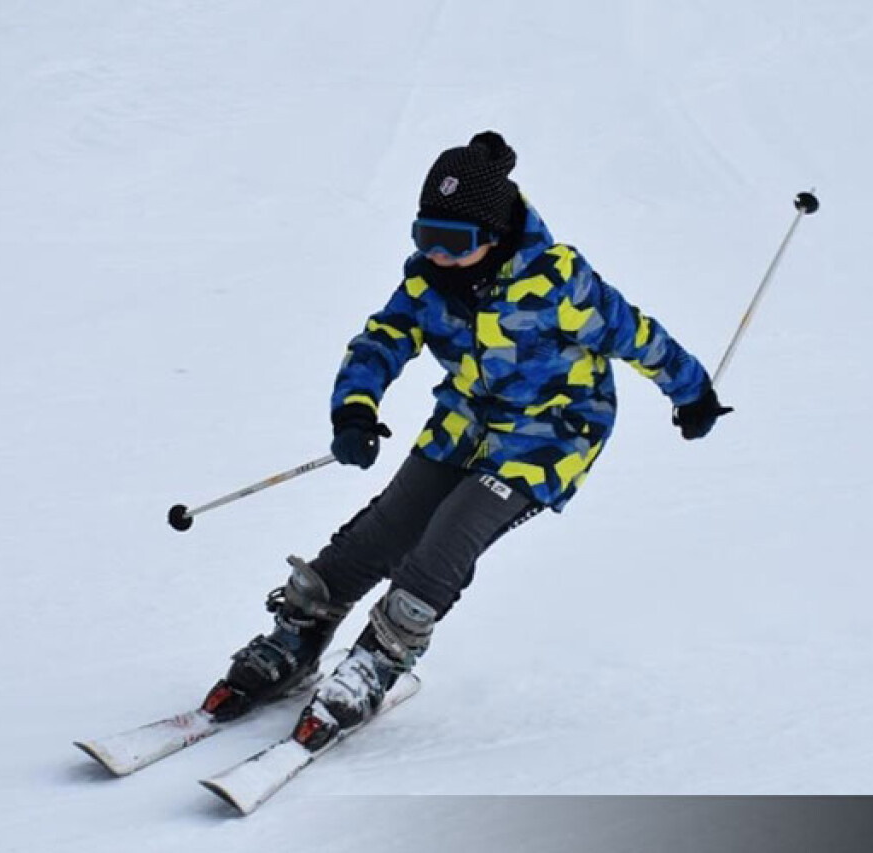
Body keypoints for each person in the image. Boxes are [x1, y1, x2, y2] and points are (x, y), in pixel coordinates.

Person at [200, 131, 732, 749]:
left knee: (452, 533)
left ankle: (379, 657)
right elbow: (383, 339)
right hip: (466, 423)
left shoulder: (559, 281)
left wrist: (691, 392)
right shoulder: (428, 284)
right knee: (385, 528)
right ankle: (299, 636)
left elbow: (638, 335)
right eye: (427, 237)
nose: (439, 255)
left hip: (551, 435)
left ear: (495, 233)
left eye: (455, 242)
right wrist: (354, 409)